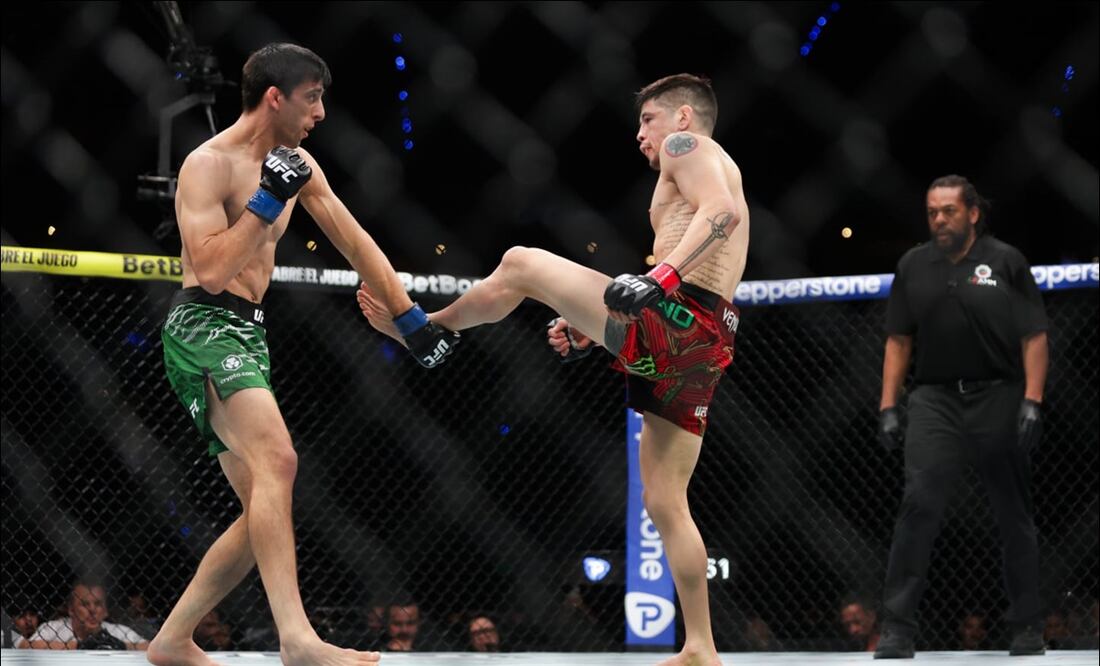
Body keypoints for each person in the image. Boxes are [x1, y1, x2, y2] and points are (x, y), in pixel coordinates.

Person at [359, 73, 748, 666]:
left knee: (520, 262)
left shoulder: (686, 148)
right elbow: (702, 240)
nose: (640, 134)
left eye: (648, 120)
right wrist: (599, 321)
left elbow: (721, 215)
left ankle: (428, 330)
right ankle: (700, 646)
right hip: (701, 335)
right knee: (666, 499)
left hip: (679, 314)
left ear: (684, 118)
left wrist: (654, 282)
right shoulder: (708, 164)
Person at [150, 42, 460, 666]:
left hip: (251, 332)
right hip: (204, 325)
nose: (320, 113)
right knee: (280, 461)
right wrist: (265, 201)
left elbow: (354, 239)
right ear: (276, 97)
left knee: (260, 505)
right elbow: (210, 270)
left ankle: (171, 639)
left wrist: (410, 317)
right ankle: (296, 638)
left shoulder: (298, 164)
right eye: (312, 98)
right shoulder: (207, 166)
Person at [874, 175, 1048, 659]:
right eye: (932, 212)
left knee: (1012, 513)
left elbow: (1034, 335)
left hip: (999, 393)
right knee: (918, 505)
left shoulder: (1006, 261)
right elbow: (898, 340)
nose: (939, 220)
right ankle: (897, 628)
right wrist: (888, 404)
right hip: (933, 401)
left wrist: (1033, 400)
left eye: (948, 211)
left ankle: (1028, 626)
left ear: (972, 213)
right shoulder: (913, 265)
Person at [25, 581, 148, 650]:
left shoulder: (119, 631)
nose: (92, 610)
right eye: (85, 604)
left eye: (98, 604)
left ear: (105, 610)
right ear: (71, 610)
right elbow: (27, 647)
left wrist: (120, 645)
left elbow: (148, 648)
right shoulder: (53, 628)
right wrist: (79, 646)